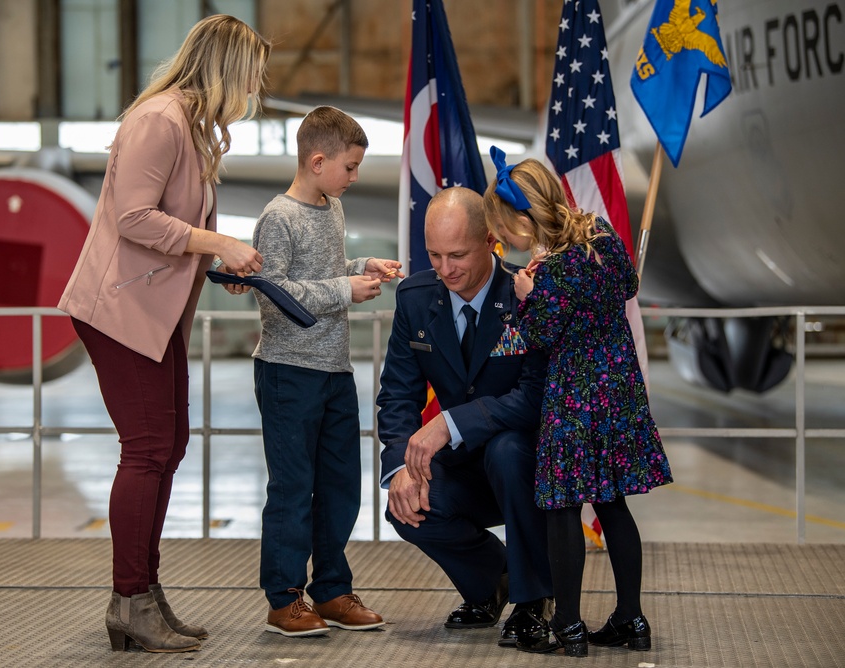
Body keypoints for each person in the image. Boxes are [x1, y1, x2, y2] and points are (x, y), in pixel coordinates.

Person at [58, 15, 270, 653]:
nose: (257, 89)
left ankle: (142, 594)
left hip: (154, 313)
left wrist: (215, 266)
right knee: (148, 448)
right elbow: (133, 219)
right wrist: (219, 242)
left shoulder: (191, 127)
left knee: (167, 445)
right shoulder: (159, 120)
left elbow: (174, 232)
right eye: (253, 75)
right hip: (120, 312)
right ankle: (130, 600)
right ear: (228, 69)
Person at [478, 152, 673, 657]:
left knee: (562, 508)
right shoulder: (601, 235)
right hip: (620, 394)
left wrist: (527, 293)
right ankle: (632, 618)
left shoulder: (552, 273)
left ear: (525, 217)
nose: (507, 240)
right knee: (613, 505)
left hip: (575, 398)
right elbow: (627, 284)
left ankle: (567, 624)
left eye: (506, 229)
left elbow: (534, 336)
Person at [376, 186, 554, 647]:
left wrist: (451, 422)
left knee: (510, 448)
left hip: (523, 471)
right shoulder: (415, 299)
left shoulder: (523, 297)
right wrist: (398, 466)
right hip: (460, 468)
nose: (445, 269)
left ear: (492, 240)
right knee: (407, 506)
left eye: (457, 255)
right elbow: (397, 393)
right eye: (434, 255)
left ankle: (535, 600)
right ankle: (493, 582)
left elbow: (535, 398)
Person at [251, 106, 402, 637]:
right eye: (351, 167)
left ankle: (332, 590)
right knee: (293, 489)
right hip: (289, 372)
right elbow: (273, 296)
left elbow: (319, 276)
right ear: (318, 162)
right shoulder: (278, 217)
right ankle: (284, 599)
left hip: (334, 370)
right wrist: (345, 291)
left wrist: (362, 269)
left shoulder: (331, 208)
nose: (355, 178)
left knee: (341, 487)